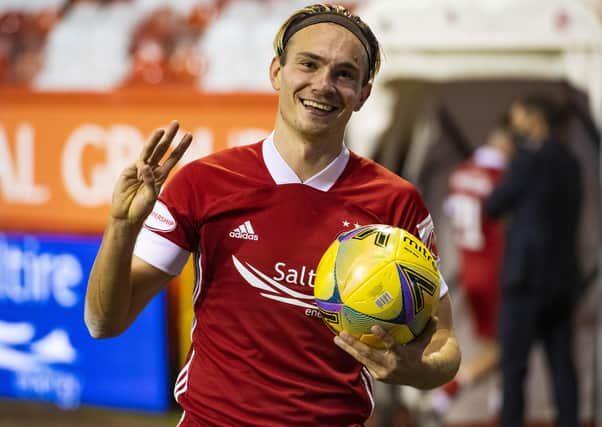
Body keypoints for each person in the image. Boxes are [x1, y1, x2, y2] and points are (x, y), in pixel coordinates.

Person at [84, 4, 461, 426]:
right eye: (309, 64)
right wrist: (121, 225)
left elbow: (443, 342)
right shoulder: (204, 183)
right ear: (277, 72)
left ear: (363, 93)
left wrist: (417, 371)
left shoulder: (395, 201)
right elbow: (105, 321)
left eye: (343, 74)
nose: (323, 85)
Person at [485, 95, 582, 427]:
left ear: (534, 119)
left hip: (525, 278)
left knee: (514, 367)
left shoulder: (526, 159)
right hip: (564, 278)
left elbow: (494, 205)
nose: (515, 126)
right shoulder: (572, 160)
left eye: (519, 117)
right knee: (562, 365)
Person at [431, 122, 514, 416]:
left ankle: (497, 407)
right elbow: (506, 225)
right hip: (496, 270)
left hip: (470, 268)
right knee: (507, 348)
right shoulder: (501, 176)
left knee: (498, 345)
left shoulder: (461, 173)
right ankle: (448, 395)